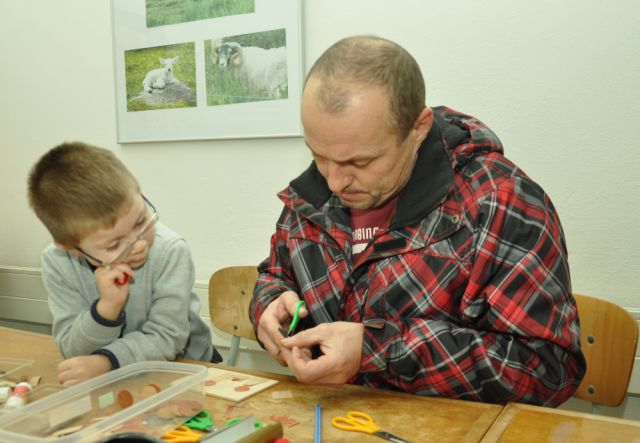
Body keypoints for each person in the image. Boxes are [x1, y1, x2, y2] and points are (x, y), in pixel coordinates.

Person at [249, 35, 586, 406]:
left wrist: (379, 349)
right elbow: (275, 275)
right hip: (329, 417)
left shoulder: (499, 202)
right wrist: (269, 305)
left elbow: (547, 369)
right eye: (319, 156)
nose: (334, 182)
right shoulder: (311, 195)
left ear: (419, 127)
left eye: (360, 162)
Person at [27, 142, 221, 386]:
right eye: (114, 244)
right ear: (70, 247)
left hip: (186, 369)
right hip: (112, 376)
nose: (138, 244)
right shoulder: (57, 261)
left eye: (140, 221)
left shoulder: (170, 250)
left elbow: (168, 337)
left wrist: (107, 362)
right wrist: (106, 309)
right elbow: (71, 349)